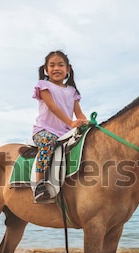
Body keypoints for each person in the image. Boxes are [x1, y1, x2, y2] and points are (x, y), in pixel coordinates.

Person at [32, 50, 88, 202]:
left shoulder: (72, 91)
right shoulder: (43, 85)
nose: (56, 68)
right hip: (45, 130)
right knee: (48, 141)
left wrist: (87, 123)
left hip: (65, 132)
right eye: (52, 65)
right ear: (46, 69)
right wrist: (70, 123)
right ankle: (39, 184)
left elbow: (79, 114)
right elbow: (53, 107)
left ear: (68, 69)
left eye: (60, 65)